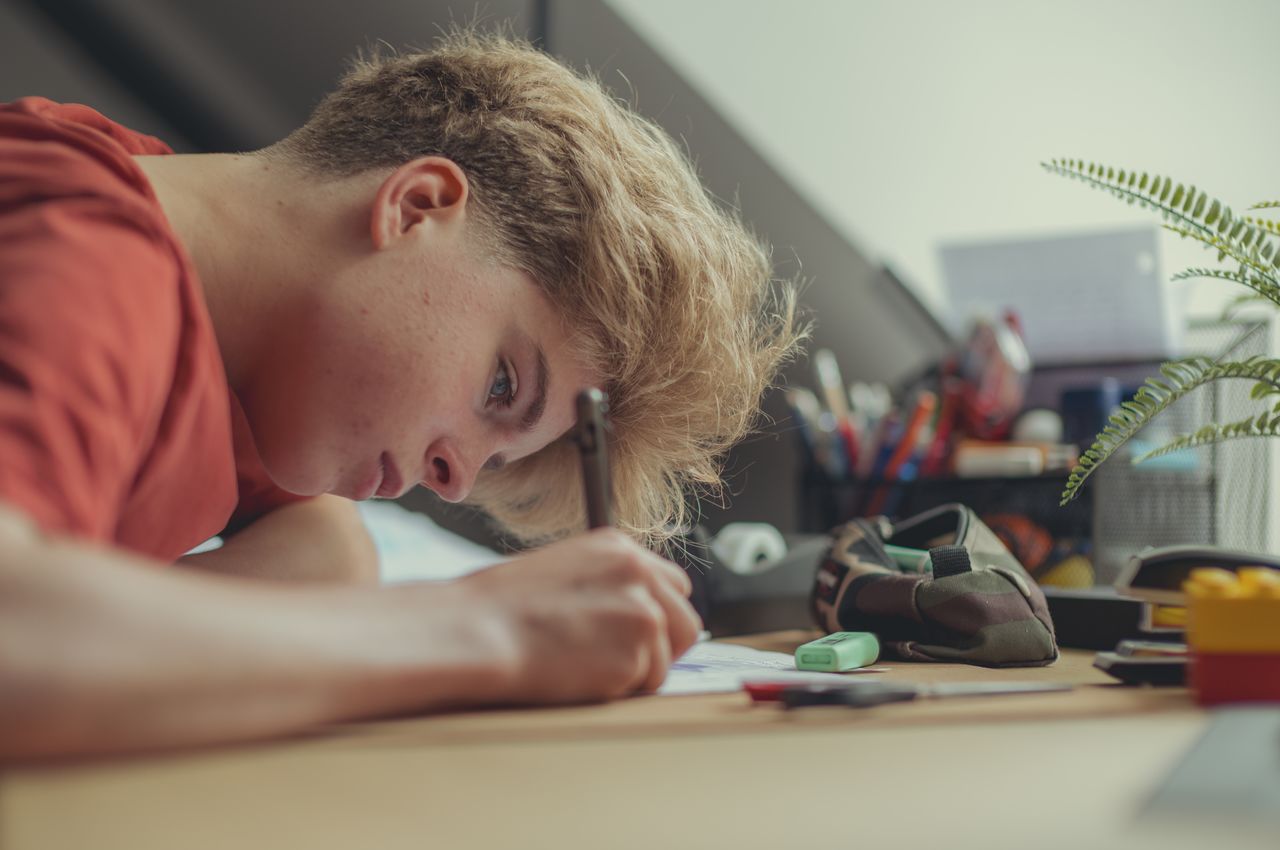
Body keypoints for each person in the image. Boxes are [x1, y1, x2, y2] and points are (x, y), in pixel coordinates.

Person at [0, 31, 802, 759]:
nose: (455, 480)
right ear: (417, 207)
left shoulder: (230, 324)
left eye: (494, 458)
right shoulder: (85, 258)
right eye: (501, 385)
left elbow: (324, 540)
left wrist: (122, 639)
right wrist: (487, 630)